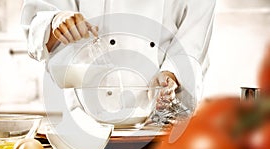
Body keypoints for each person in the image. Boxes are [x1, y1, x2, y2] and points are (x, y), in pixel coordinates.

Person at [20, 0, 216, 114]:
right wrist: (55, 20)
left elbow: (192, 40)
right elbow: (40, 16)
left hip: (157, 121)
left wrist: (171, 75)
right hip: (82, 118)